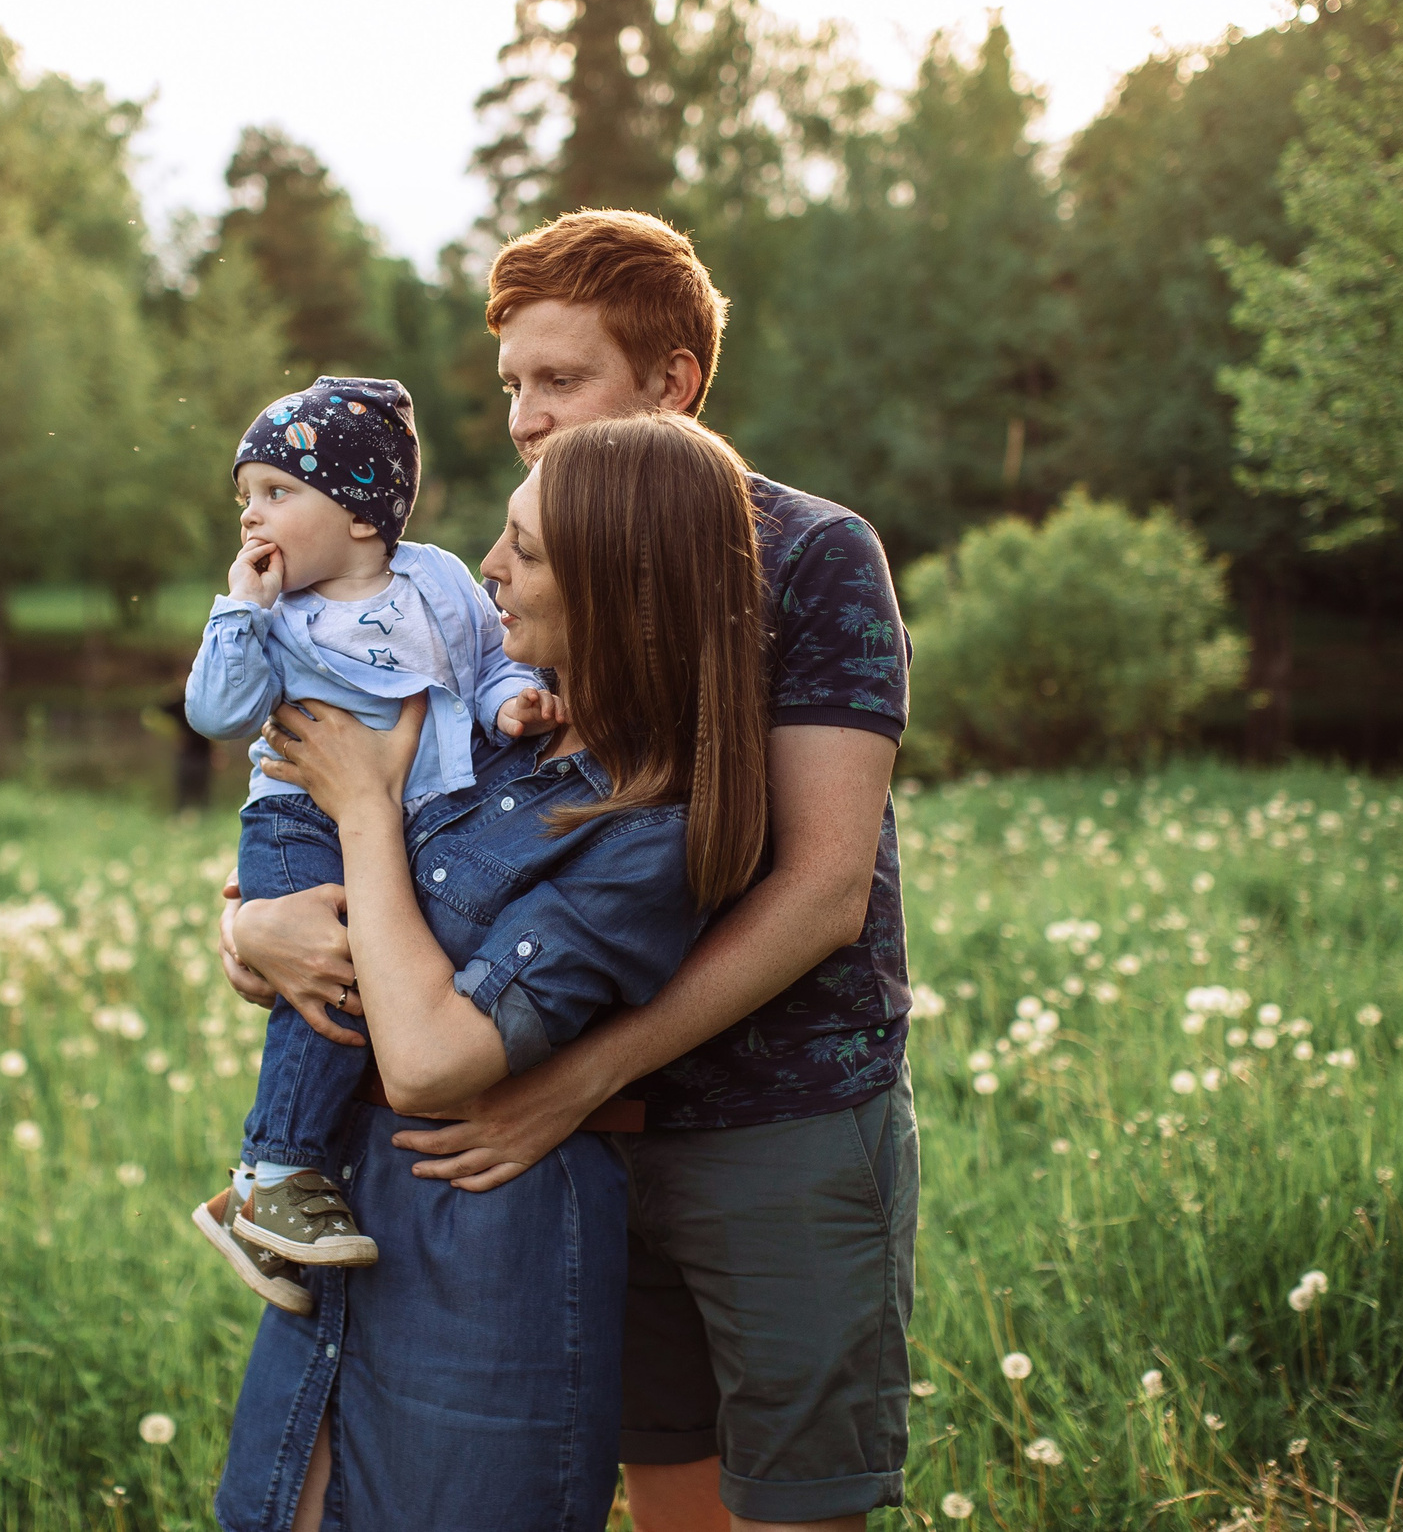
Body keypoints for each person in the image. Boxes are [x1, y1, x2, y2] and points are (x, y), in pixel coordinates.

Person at [224, 211, 919, 1532]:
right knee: (657, 1485)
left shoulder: (807, 556)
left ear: (673, 383)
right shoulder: (523, 579)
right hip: (562, 1117)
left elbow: (823, 889)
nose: (527, 419)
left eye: (564, 380)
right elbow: (400, 802)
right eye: (512, 387)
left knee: (791, 1490)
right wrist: (249, 921)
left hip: (765, 1112)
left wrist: (582, 1071)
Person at [213, 412, 771, 1532]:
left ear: (619, 589)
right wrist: (247, 934)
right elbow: (306, 905)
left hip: (482, 1251)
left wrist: (365, 807)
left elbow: (426, 1061)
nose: (487, 566)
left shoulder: (643, 837)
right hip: (341, 1208)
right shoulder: (502, 728)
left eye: (526, 549)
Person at [183, 376, 547, 1307]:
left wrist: (512, 701)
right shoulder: (272, 612)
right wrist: (239, 609)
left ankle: (281, 1199)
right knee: (339, 985)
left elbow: (489, 659)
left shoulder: (435, 578)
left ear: (356, 513)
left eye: (276, 493)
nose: (252, 519)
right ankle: (275, 1171)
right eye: (244, 499)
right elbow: (217, 714)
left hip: (418, 820)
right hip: (298, 815)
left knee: (391, 981)